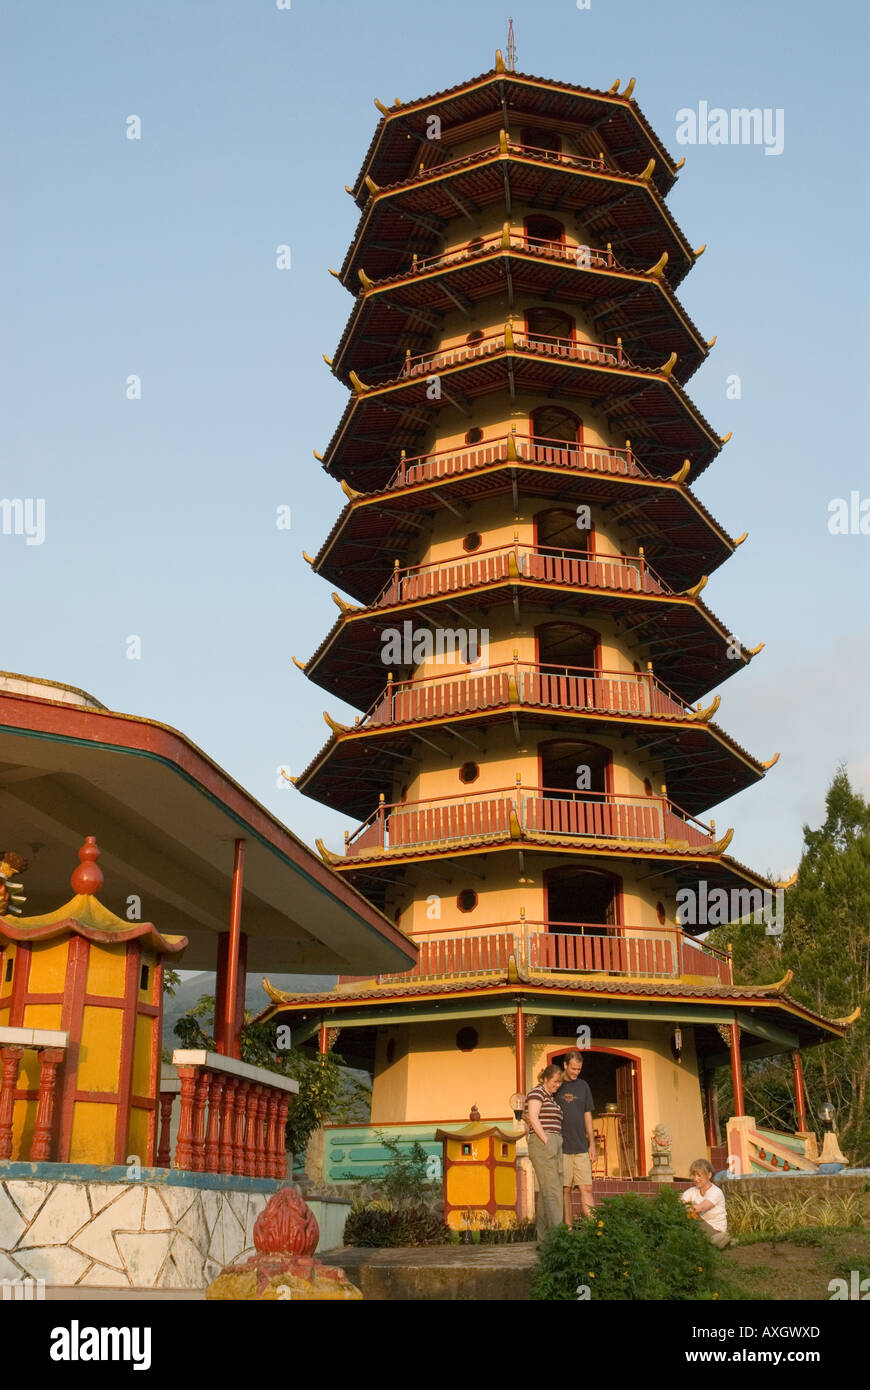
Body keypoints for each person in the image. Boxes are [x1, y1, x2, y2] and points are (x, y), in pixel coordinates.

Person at [555, 1050, 597, 1222]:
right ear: (565, 1065)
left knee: (586, 1188)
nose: (576, 1073)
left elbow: (587, 1114)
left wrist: (591, 1144)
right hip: (562, 1147)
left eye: (578, 1069)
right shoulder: (556, 1085)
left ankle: (596, 1229)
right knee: (565, 1190)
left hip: (581, 1147)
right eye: (573, 1069)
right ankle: (568, 1230)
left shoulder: (583, 1086)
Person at [525, 1064, 564, 1242]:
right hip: (544, 1142)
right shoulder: (537, 1092)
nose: (557, 1085)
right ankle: (557, 1238)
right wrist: (547, 1141)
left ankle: (544, 1240)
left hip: (554, 1142)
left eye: (559, 1082)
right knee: (552, 1190)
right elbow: (533, 1118)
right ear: (546, 1079)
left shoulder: (551, 1097)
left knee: (547, 1191)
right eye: (555, 1081)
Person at [681, 1158, 732, 1248]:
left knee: (692, 1215)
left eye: (699, 1175)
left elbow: (701, 1208)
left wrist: (686, 1209)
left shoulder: (716, 1192)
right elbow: (680, 1205)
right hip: (698, 1228)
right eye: (694, 1175)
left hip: (715, 1230)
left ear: (709, 1175)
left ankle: (719, 1239)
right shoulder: (691, 1191)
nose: (696, 1179)